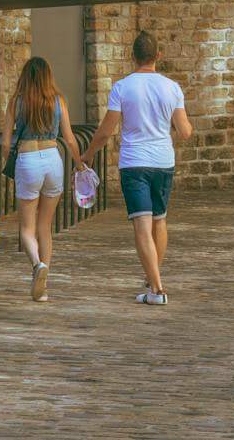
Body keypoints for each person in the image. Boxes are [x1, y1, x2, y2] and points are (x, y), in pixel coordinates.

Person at [77, 30, 192, 305]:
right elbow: (185, 131)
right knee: (159, 220)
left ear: (133, 57)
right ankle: (153, 282)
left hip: (135, 163)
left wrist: (88, 155)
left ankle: (157, 289)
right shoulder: (172, 88)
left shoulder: (122, 87)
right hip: (163, 162)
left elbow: (106, 131)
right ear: (158, 56)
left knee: (142, 224)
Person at [6, 56, 82, 302]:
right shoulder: (58, 101)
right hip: (53, 159)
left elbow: (6, 141)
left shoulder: (17, 102)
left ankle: (37, 265)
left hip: (27, 159)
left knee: (26, 228)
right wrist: (80, 164)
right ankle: (43, 287)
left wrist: (5, 163)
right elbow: (69, 138)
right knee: (45, 228)